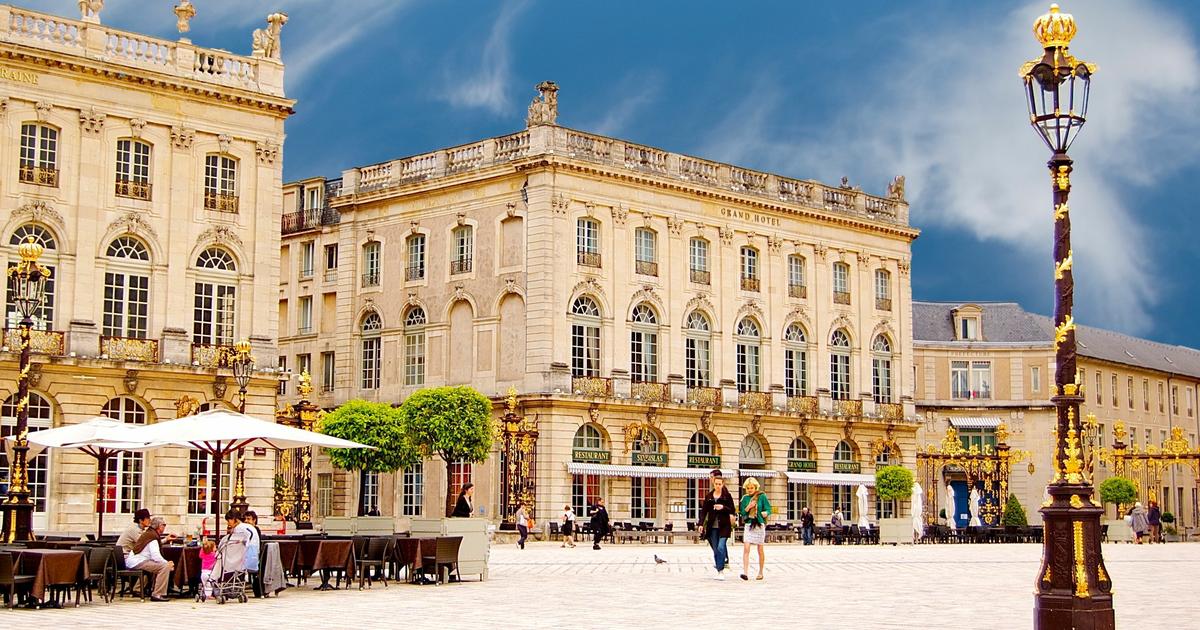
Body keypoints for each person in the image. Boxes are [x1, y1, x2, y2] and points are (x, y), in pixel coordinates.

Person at [697, 469, 736, 580]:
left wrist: (723, 507)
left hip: (724, 526)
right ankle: (721, 568)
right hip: (712, 527)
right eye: (716, 484)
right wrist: (701, 524)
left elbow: (732, 510)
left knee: (720, 546)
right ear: (714, 484)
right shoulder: (709, 496)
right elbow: (704, 511)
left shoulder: (726, 495)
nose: (718, 485)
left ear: (722, 484)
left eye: (720, 484)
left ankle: (722, 567)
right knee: (715, 549)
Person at [127, 516, 176, 602]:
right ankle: (157, 594)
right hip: (138, 561)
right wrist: (167, 563)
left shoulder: (150, 534)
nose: (164, 527)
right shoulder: (153, 537)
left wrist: (166, 539)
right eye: (163, 525)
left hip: (135, 560)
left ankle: (138, 588)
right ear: (159, 526)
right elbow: (155, 556)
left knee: (156, 565)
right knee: (164, 567)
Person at [738, 477, 772, 581]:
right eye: (748, 488)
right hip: (749, 524)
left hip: (759, 524)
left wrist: (765, 513)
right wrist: (748, 507)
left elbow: (768, 508)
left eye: (751, 488)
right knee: (746, 547)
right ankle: (745, 572)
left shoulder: (761, 496)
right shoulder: (744, 498)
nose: (750, 490)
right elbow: (742, 513)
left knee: (760, 549)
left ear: (755, 487)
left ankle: (761, 572)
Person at [243, 510, 264, 596]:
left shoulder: (255, 530)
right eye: (245, 519)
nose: (246, 521)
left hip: (253, 555)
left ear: (254, 520)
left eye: (249, 519)